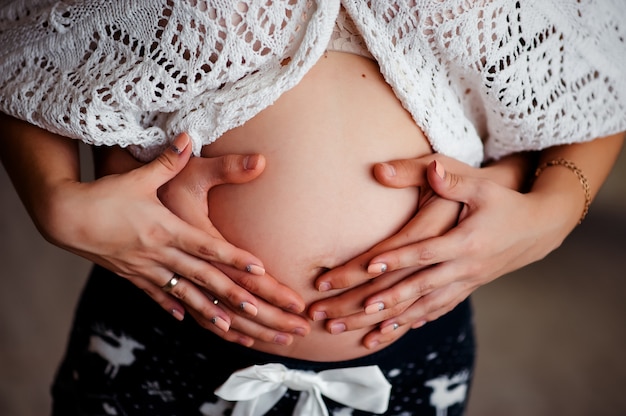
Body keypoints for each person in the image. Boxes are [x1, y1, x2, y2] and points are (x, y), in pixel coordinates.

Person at [0, 1, 624, 415]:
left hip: (409, 344)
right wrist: (54, 199)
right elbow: (22, 34)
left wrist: (554, 211)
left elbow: (602, 60)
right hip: (159, 321)